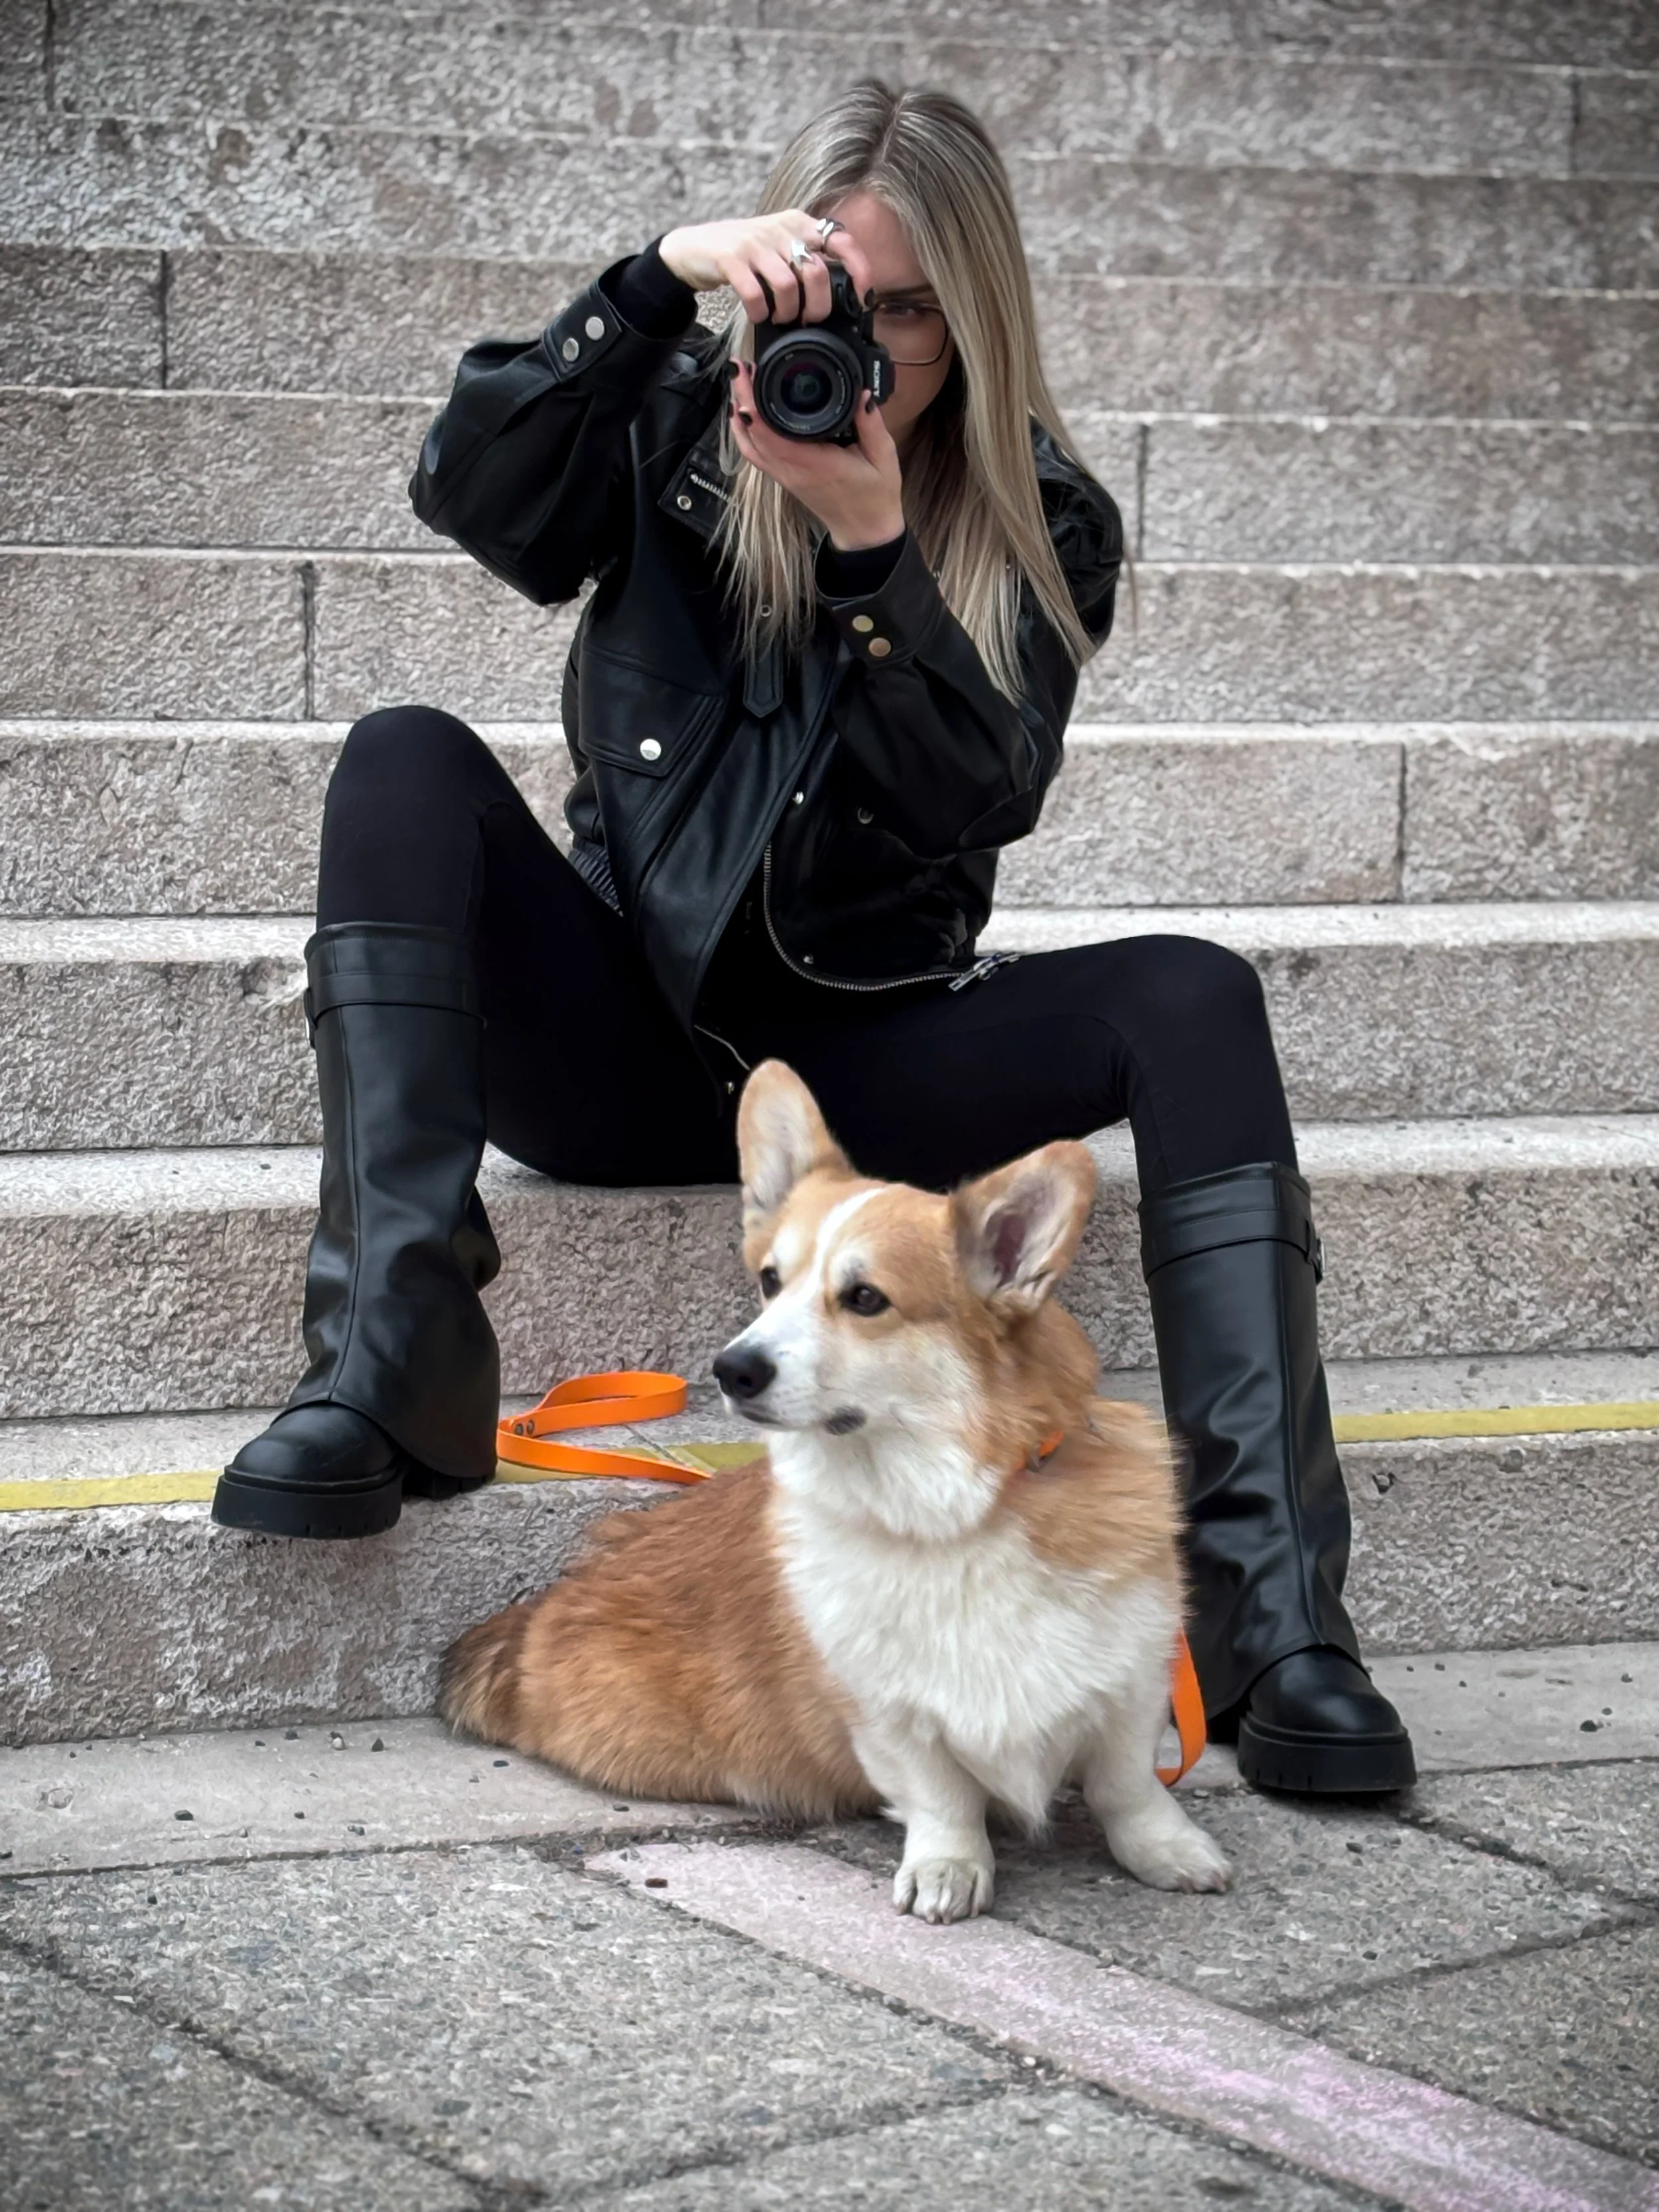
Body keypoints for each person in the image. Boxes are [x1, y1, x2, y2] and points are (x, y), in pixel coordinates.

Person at [213, 81, 1413, 1797]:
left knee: (1197, 994)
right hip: (620, 1039)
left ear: (973, 318)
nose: (869, 343)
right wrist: (648, 287)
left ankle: (1274, 1614)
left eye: (912, 310)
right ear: (774, 277)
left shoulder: (1040, 513)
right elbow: (467, 493)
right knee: (402, 749)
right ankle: (390, 1357)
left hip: (873, 1071)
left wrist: (871, 547)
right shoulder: (669, 424)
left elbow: (977, 790)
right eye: (835, 294)